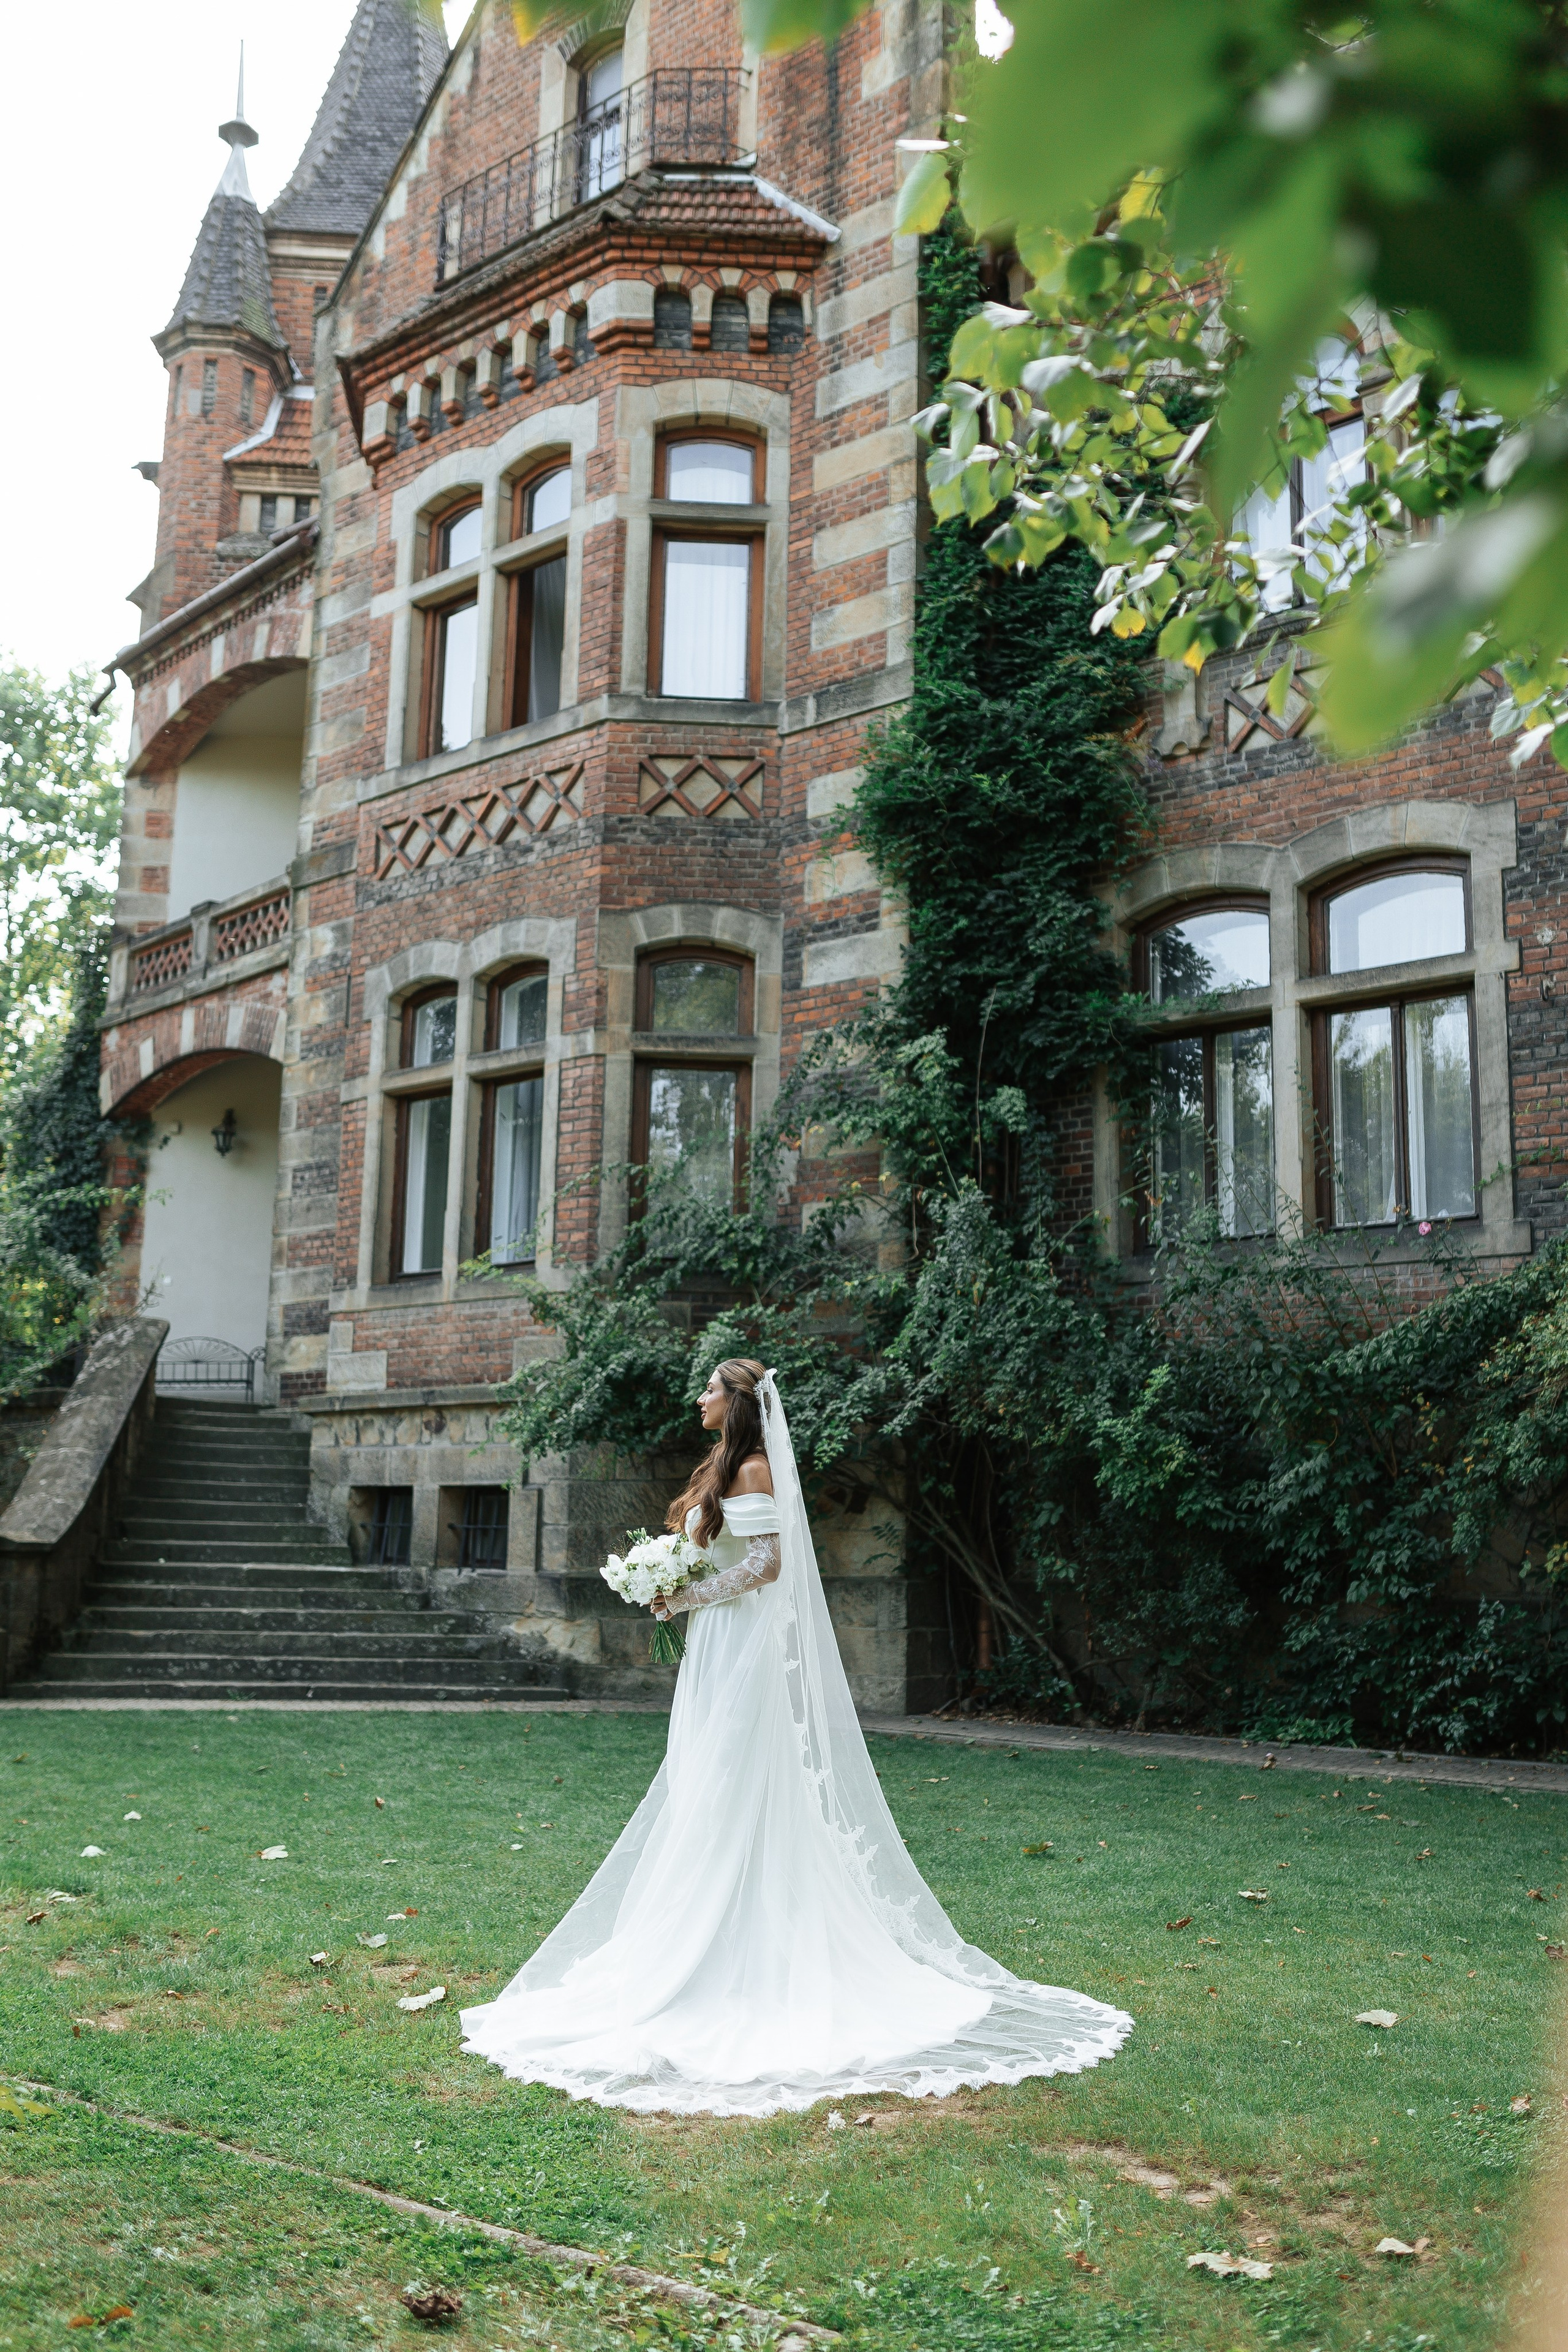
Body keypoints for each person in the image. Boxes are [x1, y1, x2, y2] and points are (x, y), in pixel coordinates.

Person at [461, 1359, 1132, 2115]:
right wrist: (668, 1581)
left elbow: (768, 1563)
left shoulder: (751, 1470)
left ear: (739, 1403)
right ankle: (702, 1935)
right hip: (714, 1648)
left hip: (740, 1646)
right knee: (703, 1779)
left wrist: (686, 1593)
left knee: (734, 1776)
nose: (698, 1398)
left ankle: (746, 1948)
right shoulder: (719, 1465)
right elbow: (726, 1552)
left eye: (710, 1389)